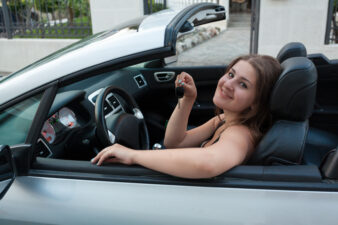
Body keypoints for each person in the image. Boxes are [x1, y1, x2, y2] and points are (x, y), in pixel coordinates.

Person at [91, 55, 282, 179]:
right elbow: (175, 141)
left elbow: (208, 163)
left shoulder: (241, 134)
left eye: (243, 85)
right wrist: (188, 99)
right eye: (231, 74)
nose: (228, 84)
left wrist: (133, 155)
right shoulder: (223, 120)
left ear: (256, 102)